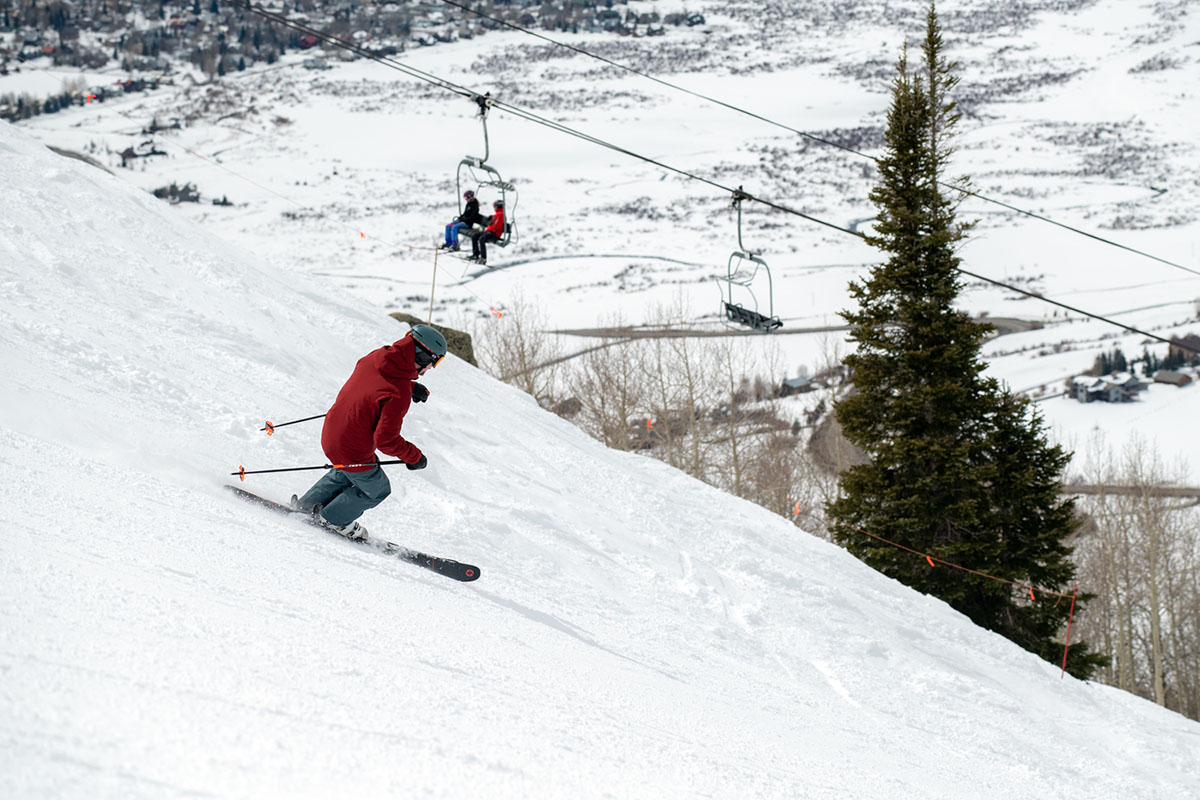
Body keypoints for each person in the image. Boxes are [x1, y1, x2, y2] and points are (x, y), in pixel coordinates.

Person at [292, 324, 448, 539]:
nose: (432, 368)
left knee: (348, 471)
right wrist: (415, 457)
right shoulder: (398, 392)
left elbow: (376, 382)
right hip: (351, 448)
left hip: (331, 432)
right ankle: (334, 519)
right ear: (423, 356)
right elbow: (386, 440)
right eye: (435, 361)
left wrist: (410, 386)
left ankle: (306, 506)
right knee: (378, 489)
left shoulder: (375, 357)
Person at [468, 199, 505, 266]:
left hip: (494, 234)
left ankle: (483, 258)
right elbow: (495, 220)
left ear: (497, 206)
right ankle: (476, 254)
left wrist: (488, 230)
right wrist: (491, 217)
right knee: (475, 236)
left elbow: (496, 226)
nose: (494, 208)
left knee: (482, 239)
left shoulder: (501, 215)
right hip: (490, 232)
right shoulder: (498, 214)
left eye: (494, 206)